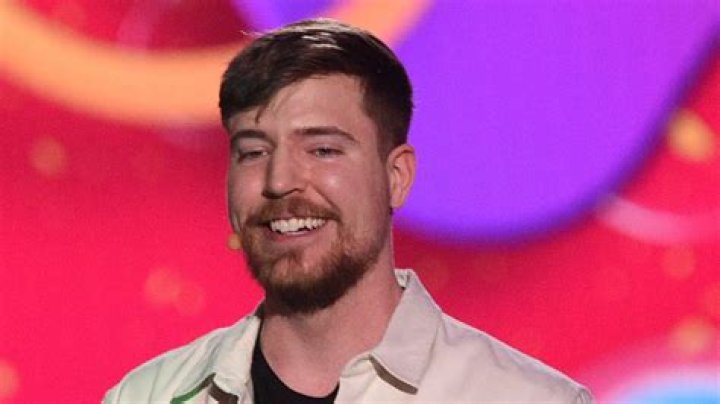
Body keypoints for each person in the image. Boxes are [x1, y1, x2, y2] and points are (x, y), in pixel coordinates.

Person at [105, 18, 592, 403]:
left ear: (396, 176)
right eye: (253, 151)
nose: (279, 181)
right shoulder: (147, 396)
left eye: (323, 150)